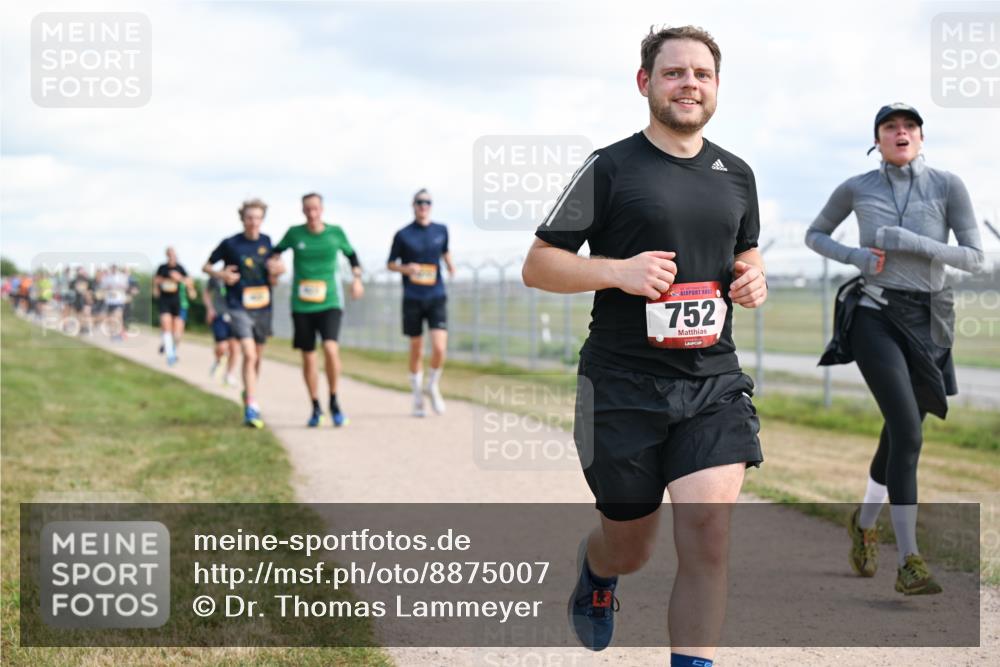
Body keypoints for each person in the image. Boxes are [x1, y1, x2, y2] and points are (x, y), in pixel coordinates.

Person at [522, 26, 766, 665]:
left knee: (708, 533)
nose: (689, 84)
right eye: (674, 73)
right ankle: (599, 572)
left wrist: (752, 276)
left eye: (702, 75)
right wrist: (616, 270)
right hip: (623, 385)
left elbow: (744, 250)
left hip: (712, 381)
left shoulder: (736, 174)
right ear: (646, 83)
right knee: (632, 546)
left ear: (716, 88)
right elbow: (539, 265)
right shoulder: (610, 168)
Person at [806, 103, 985, 595]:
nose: (900, 132)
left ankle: (864, 523)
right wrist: (857, 255)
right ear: (878, 139)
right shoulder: (857, 187)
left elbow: (974, 257)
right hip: (875, 314)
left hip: (930, 321)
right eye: (890, 127)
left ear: (921, 138)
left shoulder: (948, 186)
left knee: (900, 431)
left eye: (909, 126)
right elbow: (814, 234)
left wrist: (910, 241)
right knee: (908, 430)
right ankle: (909, 561)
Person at [270, 193, 364, 427]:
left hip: (330, 301)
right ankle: (315, 406)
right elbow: (274, 254)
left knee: (331, 349)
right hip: (301, 305)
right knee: (309, 356)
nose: (312, 214)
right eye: (307, 210)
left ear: (322, 209)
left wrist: (357, 279)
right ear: (302, 211)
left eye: (315, 209)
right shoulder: (294, 233)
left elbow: (352, 256)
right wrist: (274, 267)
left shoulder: (336, 233)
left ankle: (334, 400)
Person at [204, 198, 283, 428]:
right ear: (242, 218)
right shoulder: (230, 244)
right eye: (249, 217)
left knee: (257, 356)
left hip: (263, 306)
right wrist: (222, 275)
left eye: (258, 218)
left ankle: (250, 392)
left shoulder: (267, 242)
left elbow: (275, 271)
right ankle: (251, 404)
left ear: (262, 219)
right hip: (238, 305)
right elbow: (206, 266)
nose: (253, 222)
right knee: (248, 353)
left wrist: (278, 271)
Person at [387, 189, 454, 417]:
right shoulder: (403, 234)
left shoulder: (441, 230)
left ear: (431, 206)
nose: (423, 206)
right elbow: (390, 264)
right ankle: (417, 397)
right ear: (413, 205)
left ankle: (432, 384)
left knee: (439, 347)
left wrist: (451, 266)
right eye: (419, 202)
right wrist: (406, 268)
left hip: (436, 295)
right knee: (416, 349)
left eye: (427, 202)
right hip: (413, 297)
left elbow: (445, 252)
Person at [153, 247, 197, 366]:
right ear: (167, 255)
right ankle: (170, 356)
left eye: (173, 254)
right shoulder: (162, 268)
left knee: (177, 334)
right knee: (167, 327)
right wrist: (157, 286)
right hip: (164, 301)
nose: (171, 256)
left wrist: (179, 278)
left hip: (177, 302)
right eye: (169, 254)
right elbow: (156, 280)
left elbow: (189, 282)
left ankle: (170, 347)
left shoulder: (180, 268)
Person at [203, 275, 240, 386]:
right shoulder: (216, 276)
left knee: (234, 348)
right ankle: (218, 361)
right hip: (219, 315)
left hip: (237, 316)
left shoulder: (242, 274)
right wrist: (209, 309)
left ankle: (229, 374)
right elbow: (206, 293)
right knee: (222, 346)